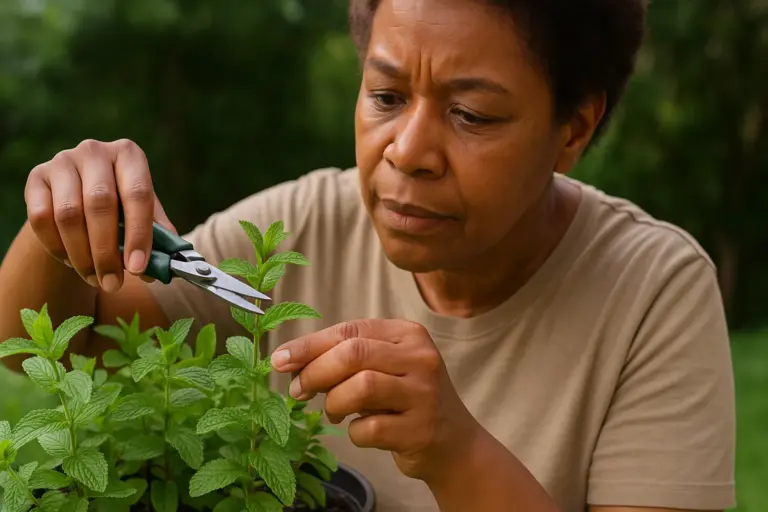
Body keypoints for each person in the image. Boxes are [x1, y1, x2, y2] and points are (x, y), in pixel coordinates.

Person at [0, 0, 736, 511]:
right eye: (386, 95)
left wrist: (457, 451)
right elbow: (43, 349)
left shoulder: (653, 292)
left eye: (471, 114)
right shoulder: (294, 230)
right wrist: (54, 228)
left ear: (573, 129)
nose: (407, 152)